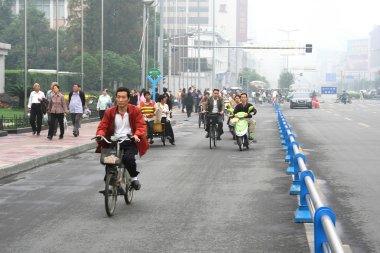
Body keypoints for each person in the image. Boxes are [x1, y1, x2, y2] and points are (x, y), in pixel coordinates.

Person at [96, 87, 149, 191]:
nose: (120, 100)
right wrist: (100, 134)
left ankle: (134, 178)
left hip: (130, 140)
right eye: (118, 97)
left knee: (128, 159)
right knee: (109, 161)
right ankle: (110, 184)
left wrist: (137, 135)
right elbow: (103, 127)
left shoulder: (135, 111)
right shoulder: (109, 112)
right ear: (115, 98)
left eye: (123, 97)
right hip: (114, 141)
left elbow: (141, 126)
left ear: (128, 99)